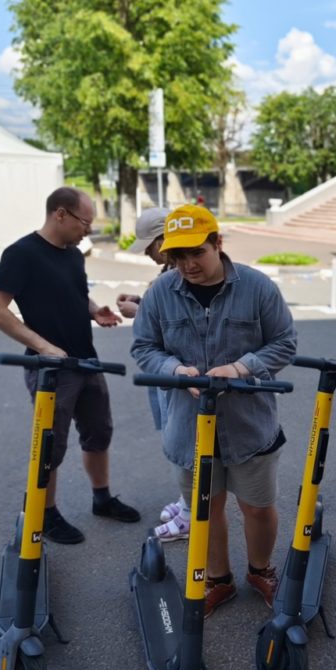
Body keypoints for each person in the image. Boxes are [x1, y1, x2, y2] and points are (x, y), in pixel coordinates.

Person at [131, 204, 297, 616]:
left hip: (249, 424)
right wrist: (175, 370)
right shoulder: (159, 294)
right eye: (177, 256)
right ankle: (218, 579)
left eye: (196, 253)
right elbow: (143, 348)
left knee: (257, 506)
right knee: (207, 509)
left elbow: (284, 342)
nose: (187, 264)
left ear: (217, 244)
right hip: (188, 428)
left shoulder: (258, 287)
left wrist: (242, 367)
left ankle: (261, 570)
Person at [0, 186, 140, 545]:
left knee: (99, 433)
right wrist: (41, 346)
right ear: (60, 214)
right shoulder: (21, 254)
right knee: (50, 445)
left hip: (86, 359)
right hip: (52, 368)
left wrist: (93, 310)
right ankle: (45, 513)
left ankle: (102, 499)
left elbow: (73, 294)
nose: (88, 230)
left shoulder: (72, 255)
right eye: (85, 222)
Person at [116, 208, 193, 541]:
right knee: (175, 440)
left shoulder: (182, 272)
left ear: (165, 238)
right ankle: (187, 500)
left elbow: (178, 324)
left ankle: (192, 511)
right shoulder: (168, 271)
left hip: (178, 371)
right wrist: (143, 303)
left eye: (149, 246)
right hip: (165, 371)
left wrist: (139, 312)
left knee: (182, 443)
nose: (148, 254)